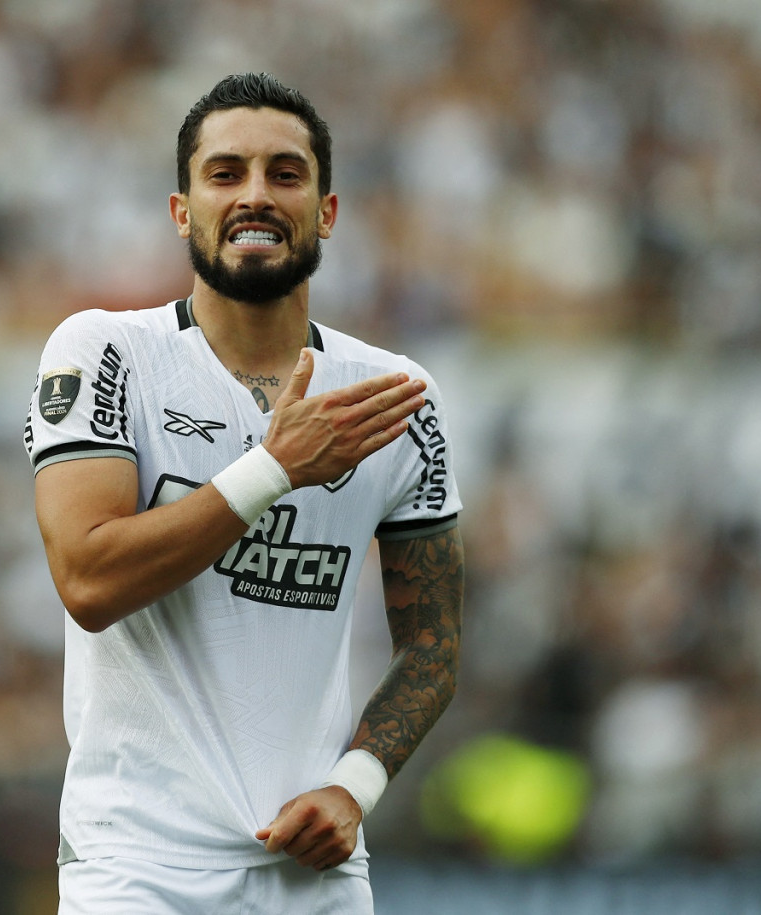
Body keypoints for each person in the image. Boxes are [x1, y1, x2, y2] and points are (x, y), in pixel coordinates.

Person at [24, 72, 465, 914]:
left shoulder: (395, 395)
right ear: (181, 209)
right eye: (225, 173)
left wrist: (356, 786)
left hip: (314, 875)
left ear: (326, 213)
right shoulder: (106, 352)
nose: (255, 195)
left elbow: (434, 643)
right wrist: (273, 470)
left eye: (285, 174)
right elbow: (87, 580)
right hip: (138, 866)